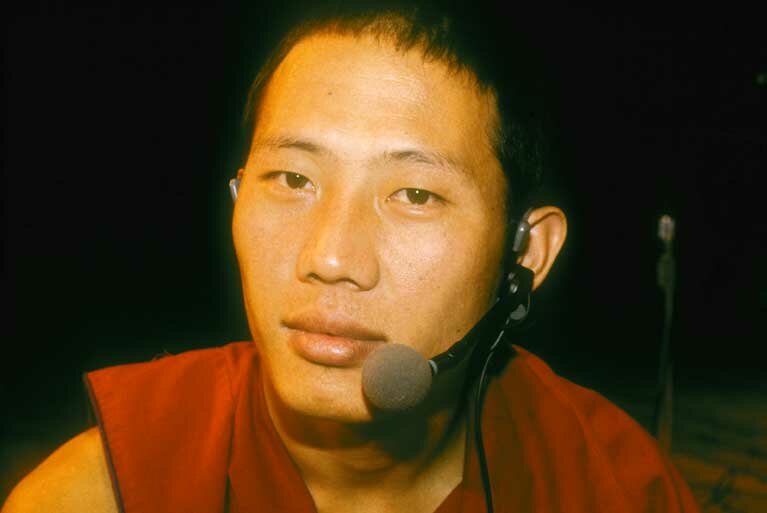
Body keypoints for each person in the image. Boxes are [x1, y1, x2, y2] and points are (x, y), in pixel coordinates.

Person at [3, 2, 700, 512]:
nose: (331, 258)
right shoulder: (101, 495)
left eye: (415, 194)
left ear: (527, 252)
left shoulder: (612, 486)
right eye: (292, 179)